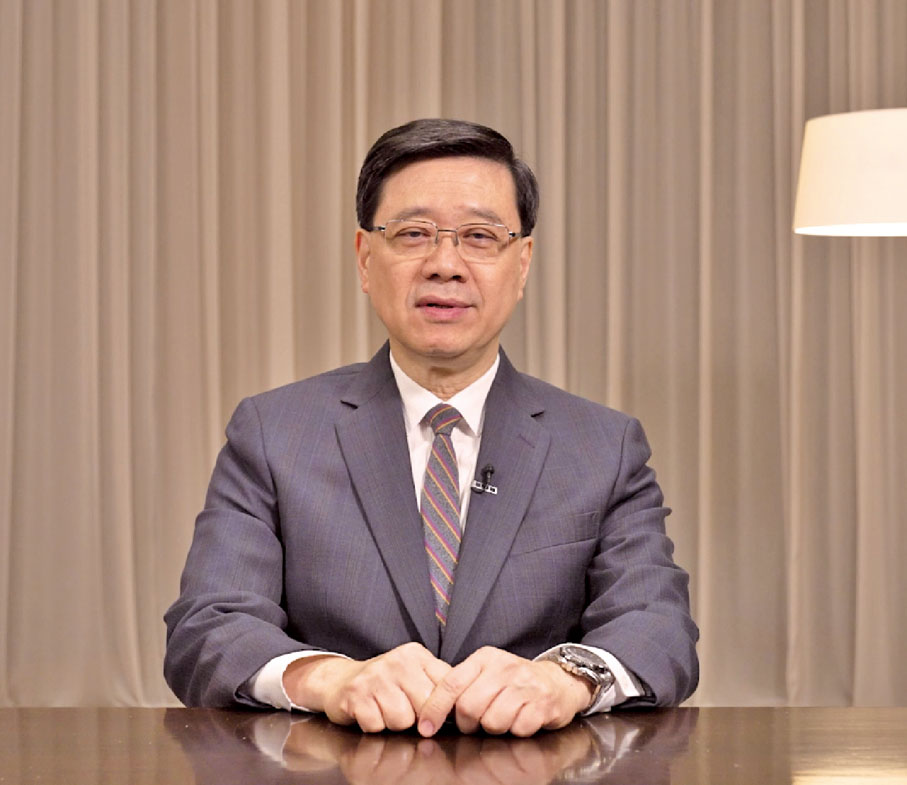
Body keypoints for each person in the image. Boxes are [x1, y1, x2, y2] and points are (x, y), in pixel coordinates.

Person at [164, 118, 698, 738]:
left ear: (522, 264)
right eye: (413, 234)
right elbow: (208, 627)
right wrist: (329, 679)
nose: (445, 265)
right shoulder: (274, 433)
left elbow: (658, 628)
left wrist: (566, 679)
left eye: (480, 236)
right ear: (366, 259)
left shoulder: (603, 446)